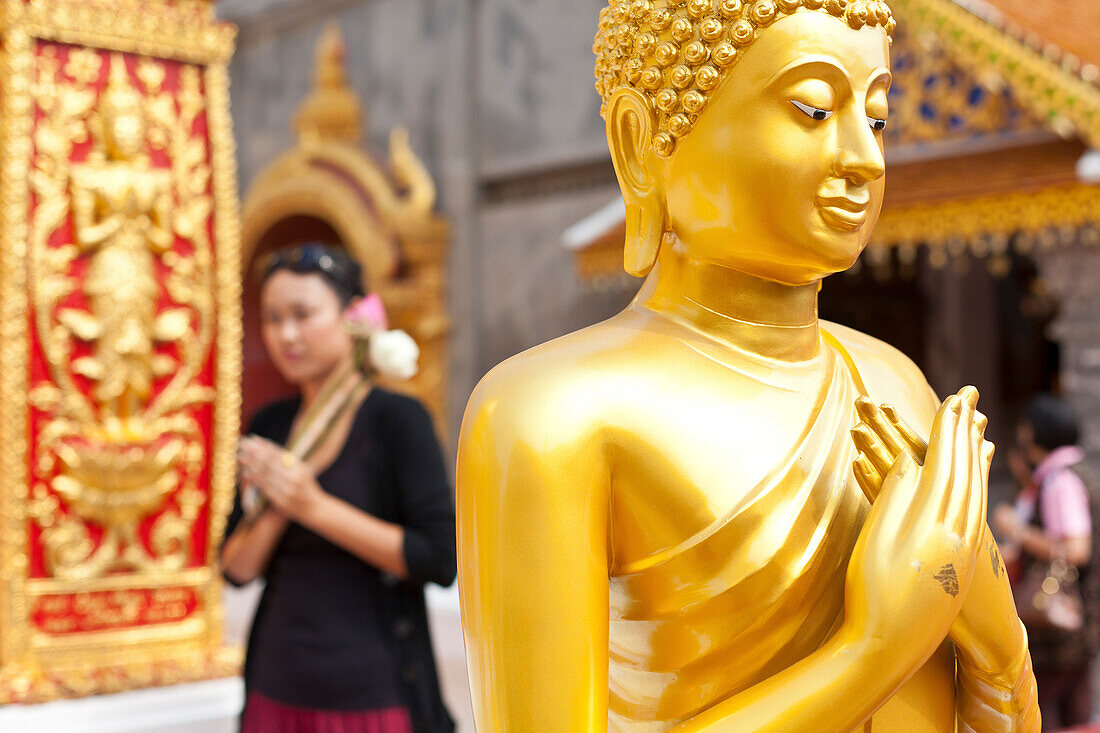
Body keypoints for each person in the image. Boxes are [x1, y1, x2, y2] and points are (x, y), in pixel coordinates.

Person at [456, 1, 1039, 731]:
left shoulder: (894, 384)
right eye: (813, 109)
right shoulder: (550, 418)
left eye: (878, 116)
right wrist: (875, 646)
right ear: (643, 143)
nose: (866, 156)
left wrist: (995, 642)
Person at [222, 243, 456, 733]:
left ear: (353, 318)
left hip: (372, 692)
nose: (286, 334)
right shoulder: (272, 422)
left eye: (303, 314)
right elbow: (237, 568)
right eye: (272, 318)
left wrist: (313, 504)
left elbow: (437, 559)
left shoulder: (398, 420)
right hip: (277, 685)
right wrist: (281, 504)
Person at [995, 395, 1097, 731]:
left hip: (1058, 625)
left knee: (1046, 712)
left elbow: (1076, 549)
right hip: (1077, 624)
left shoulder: (1059, 480)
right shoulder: (1077, 472)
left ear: (1034, 434)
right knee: (1076, 713)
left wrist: (1017, 530)